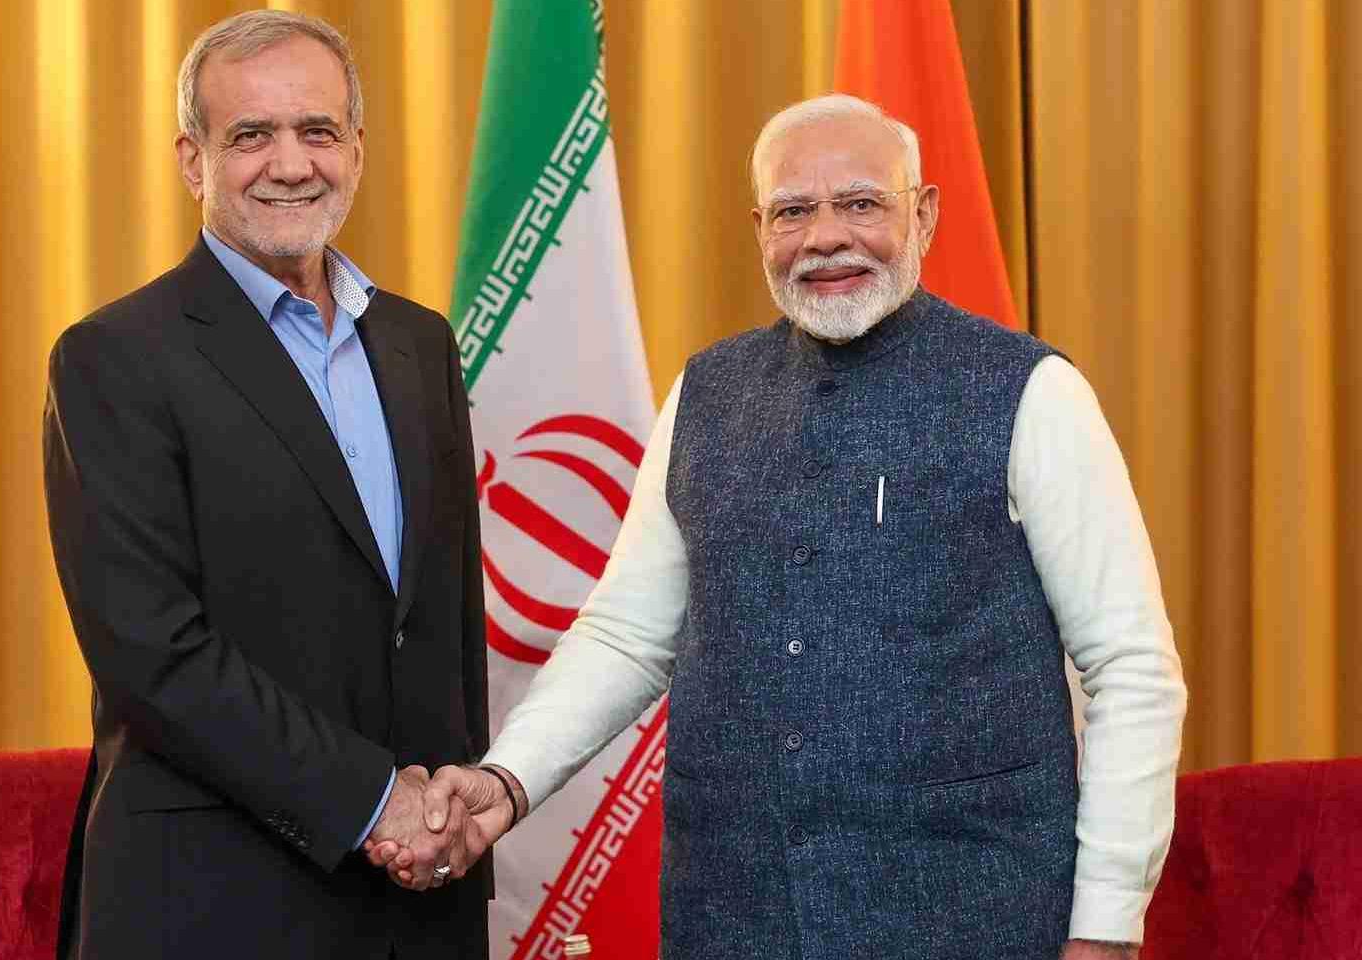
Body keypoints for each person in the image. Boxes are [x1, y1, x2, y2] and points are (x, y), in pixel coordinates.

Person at [378, 94, 1189, 960]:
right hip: (733, 918)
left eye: (862, 203)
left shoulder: (1032, 393)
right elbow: (626, 637)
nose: (825, 237)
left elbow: (1131, 668)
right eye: (794, 211)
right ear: (759, 227)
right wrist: (507, 782)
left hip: (974, 918)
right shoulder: (706, 395)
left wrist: (1105, 928)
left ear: (923, 215)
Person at [43, 11, 489, 958]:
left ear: (356, 152)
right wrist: (373, 801)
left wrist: (451, 819)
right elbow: (153, 654)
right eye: (251, 135)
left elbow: (446, 628)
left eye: (317, 130)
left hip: (421, 902)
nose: (291, 164)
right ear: (193, 162)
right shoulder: (113, 359)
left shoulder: (421, 345)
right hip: (216, 905)